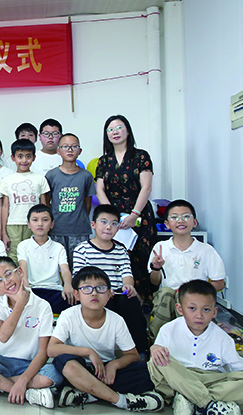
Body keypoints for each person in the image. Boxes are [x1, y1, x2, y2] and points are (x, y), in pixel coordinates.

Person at [149, 280, 243, 415]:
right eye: (192, 308)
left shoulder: (223, 338)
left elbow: (240, 371)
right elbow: (160, 363)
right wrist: (155, 348)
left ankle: (190, 400)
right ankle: (209, 405)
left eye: (206, 310)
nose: (199, 315)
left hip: (210, 379)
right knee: (157, 360)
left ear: (214, 312)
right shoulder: (168, 329)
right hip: (177, 376)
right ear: (180, 309)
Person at [48, 266, 163, 412]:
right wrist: (88, 352)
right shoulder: (68, 315)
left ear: (109, 294)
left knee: (146, 372)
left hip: (105, 372)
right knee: (64, 362)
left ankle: (87, 393)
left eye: (101, 288)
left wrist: (114, 365)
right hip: (79, 367)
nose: (94, 293)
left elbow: (133, 356)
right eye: (87, 288)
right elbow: (52, 349)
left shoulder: (116, 320)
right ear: (76, 294)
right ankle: (121, 400)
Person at [0, 256, 62, 407]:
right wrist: (20, 304)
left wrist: (23, 380)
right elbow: (3, 336)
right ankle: (27, 393)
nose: (6, 281)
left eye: (8, 274)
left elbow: (43, 352)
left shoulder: (43, 306)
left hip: (26, 364)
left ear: (20, 272)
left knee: (53, 374)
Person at [73, 204, 148, 354]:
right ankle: (105, 351)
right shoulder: (82, 249)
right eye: (103, 222)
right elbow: (80, 278)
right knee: (105, 304)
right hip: (93, 293)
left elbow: (127, 274)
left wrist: (128, 286)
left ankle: (138, 350)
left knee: (130, 300)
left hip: (118, 294)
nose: (108, 227)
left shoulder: (121, 250)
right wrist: (103, 290)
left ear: (118, 228)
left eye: (114, 223)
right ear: (93, 225)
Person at [96, 115, 157, 298]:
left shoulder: (141, 156)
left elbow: (146, 187)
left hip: (139, 214)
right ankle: (120, 299)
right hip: (114, 218)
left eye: (119, 128)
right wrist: (112, 217)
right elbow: (100, 189)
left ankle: (145, 301)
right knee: (118, 258)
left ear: (128, 131)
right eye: (110, 129)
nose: (115, 132)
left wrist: (134, 214)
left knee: (143, 257)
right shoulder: (104, 161)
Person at [148, 199, 226, 340]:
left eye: (186, 216)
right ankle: (158, 343)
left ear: (194, 222)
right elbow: (154, 282)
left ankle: (189, 340)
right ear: (167, 224)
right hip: (166, 299)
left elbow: (220, 283)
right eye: (174, 217)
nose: (180, 221)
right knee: (166, 293)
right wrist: (156, 268)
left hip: (195, 298)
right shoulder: (160, 247)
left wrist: (194, 289)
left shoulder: (206, 250)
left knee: (185, 295)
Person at [45, 133, 95, 266]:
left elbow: (87, 204)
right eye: (65, 146)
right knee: (57, 267)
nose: (70, 150)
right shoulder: (51, 175)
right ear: (58, 151)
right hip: (57, 229)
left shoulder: (86, 176)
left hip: (79, 230)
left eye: (74, 146)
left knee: (79, 267)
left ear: (80, 151)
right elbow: (46, 202)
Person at [17, 204, 74, 314]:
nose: (40, 224)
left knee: (71, 299)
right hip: (33, 289)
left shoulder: (58, 247)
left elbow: (65, 270)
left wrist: (68, 285)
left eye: (45, 220)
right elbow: (23, 266)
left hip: (54, 290)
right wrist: (26, 286)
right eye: (35, 220)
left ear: (52, 224)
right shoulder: (23, 245)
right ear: (29, 224)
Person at [0, 138, 50, 255]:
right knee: (13, 254)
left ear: (34, 158)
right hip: (13, 224)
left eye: (28, 156)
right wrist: (3, 231)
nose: (24, 160)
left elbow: (44, 205)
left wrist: (45, 225)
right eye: (20, 156)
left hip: (34, 223)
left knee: (33, 254)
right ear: (13, 158)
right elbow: (5, 207)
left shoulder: (40, 179)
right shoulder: (7, 180)